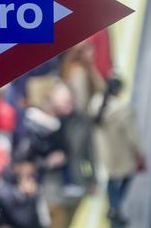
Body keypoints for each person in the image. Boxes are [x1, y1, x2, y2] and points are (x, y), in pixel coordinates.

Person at [38, 83, 96, 228]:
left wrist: (93, 180)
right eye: (64, 102)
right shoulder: (43, 123)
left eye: (70, 101)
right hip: (53, 190)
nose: (68, 105)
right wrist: (48, 162)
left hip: (77, 185)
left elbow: (90, 152)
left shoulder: (82, 121)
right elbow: (31, 160)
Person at [89, 79, 145, 227]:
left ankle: (113, 206)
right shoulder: (123, 109)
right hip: (122, 152)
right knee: (128, 175)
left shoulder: (95, 103)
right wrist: (139, 151)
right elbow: (133, 136)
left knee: (112, 178)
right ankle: (116, 205)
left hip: (105, 151)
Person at [0, 153, 44, 228]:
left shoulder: (30, 178)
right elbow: (22, 221)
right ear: (18, 166)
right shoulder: (5, 188)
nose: (32, 169)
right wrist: (24, 194)